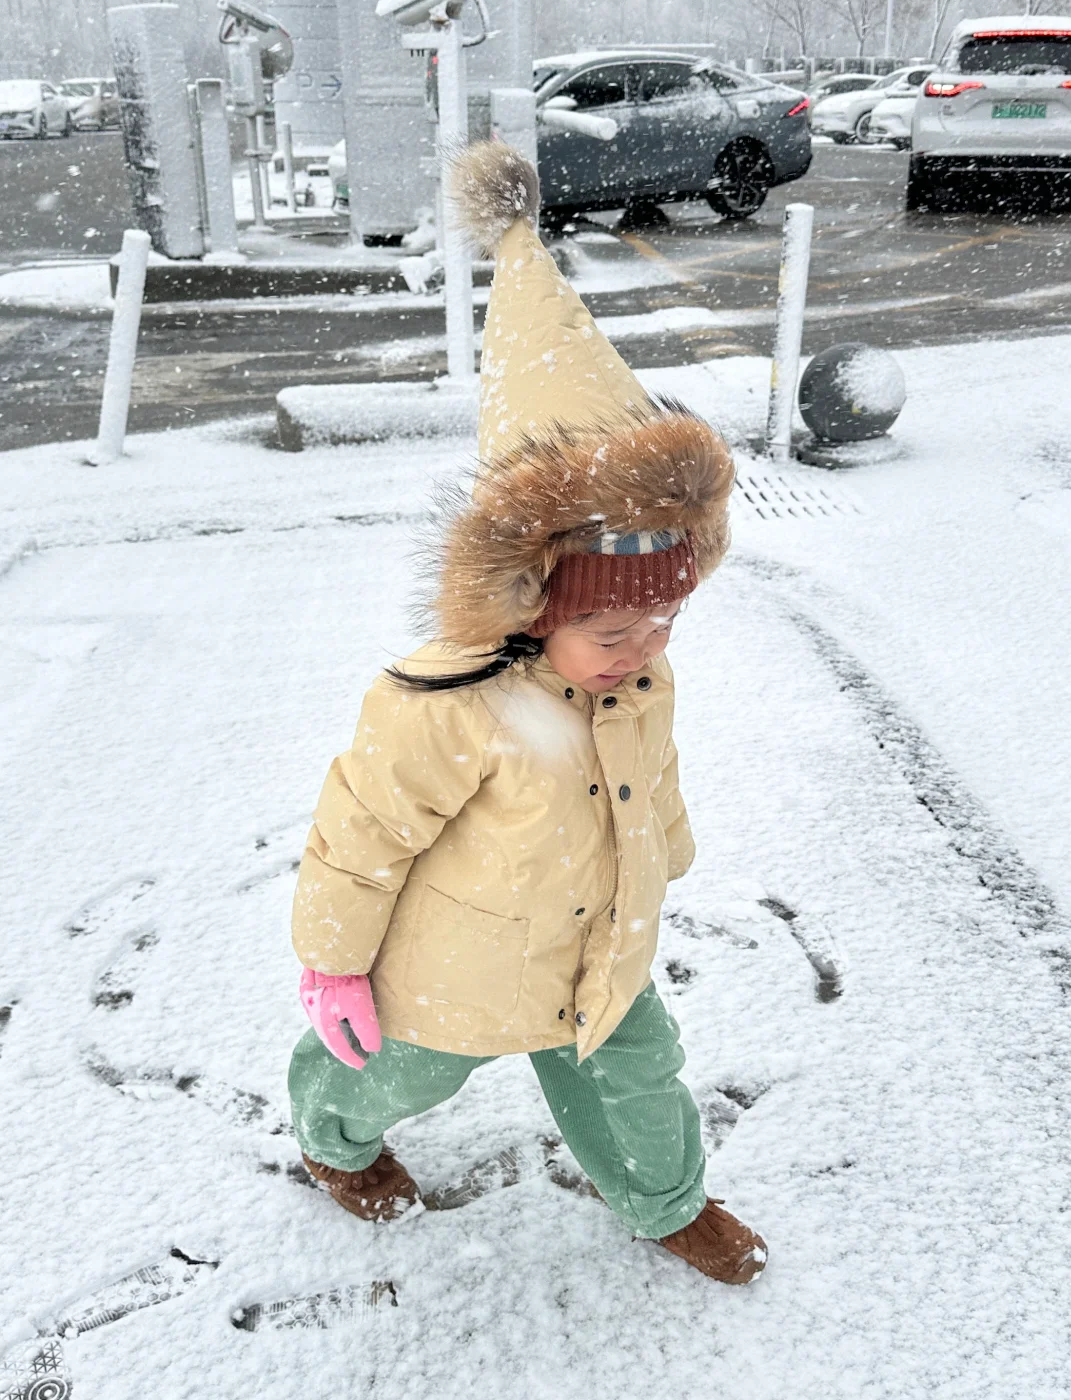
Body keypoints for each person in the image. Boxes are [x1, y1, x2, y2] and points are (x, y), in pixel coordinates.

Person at [287, 140, 767, 1285]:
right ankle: (331, 1141)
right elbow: (361, 834)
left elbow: (652, 776)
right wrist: (335, 965)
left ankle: (665, 1199)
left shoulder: (639, 672)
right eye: (615, 630)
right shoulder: (447, 701)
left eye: (668, 621)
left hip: (600, 947)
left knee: (638, 1076)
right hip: (459, 964)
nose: (646, 650)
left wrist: (668, 853)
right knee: (392, 1073)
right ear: (528, 603)